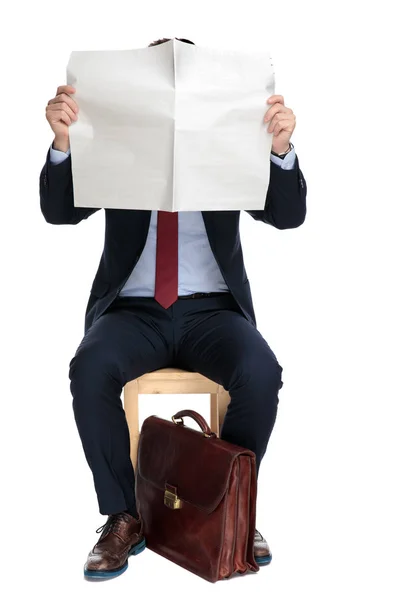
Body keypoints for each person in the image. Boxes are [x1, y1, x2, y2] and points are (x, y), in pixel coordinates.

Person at [40, 37, 307, 580]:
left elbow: (288, 215)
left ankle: (233, 503)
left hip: (213, 312)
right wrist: (64, 140)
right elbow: (60, 213)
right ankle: (124, 515)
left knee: (261, 371)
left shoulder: (231, 140)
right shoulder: (114, 139)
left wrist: (279, 148)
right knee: (88, 367)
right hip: (132, 311)